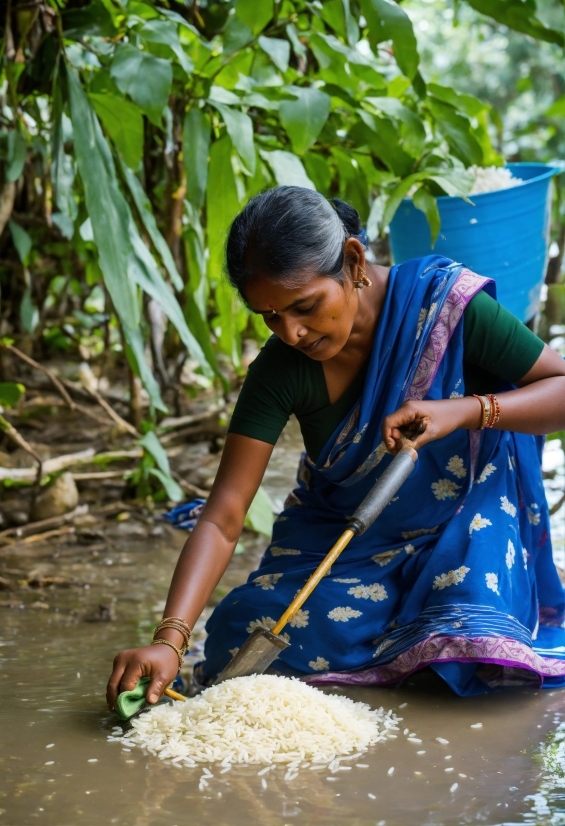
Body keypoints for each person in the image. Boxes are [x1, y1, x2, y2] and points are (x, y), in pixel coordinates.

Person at [107, 186, 565, 708]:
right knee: (242, 632)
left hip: (464, 523)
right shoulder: (281, 368)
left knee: (467, 630)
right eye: (270, 316)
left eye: (305, 306)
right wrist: (170, 639)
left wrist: (462, 411)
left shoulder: (447, 309)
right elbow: (223, 515)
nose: (292, 332)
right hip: (351, 536)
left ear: (352, 260)